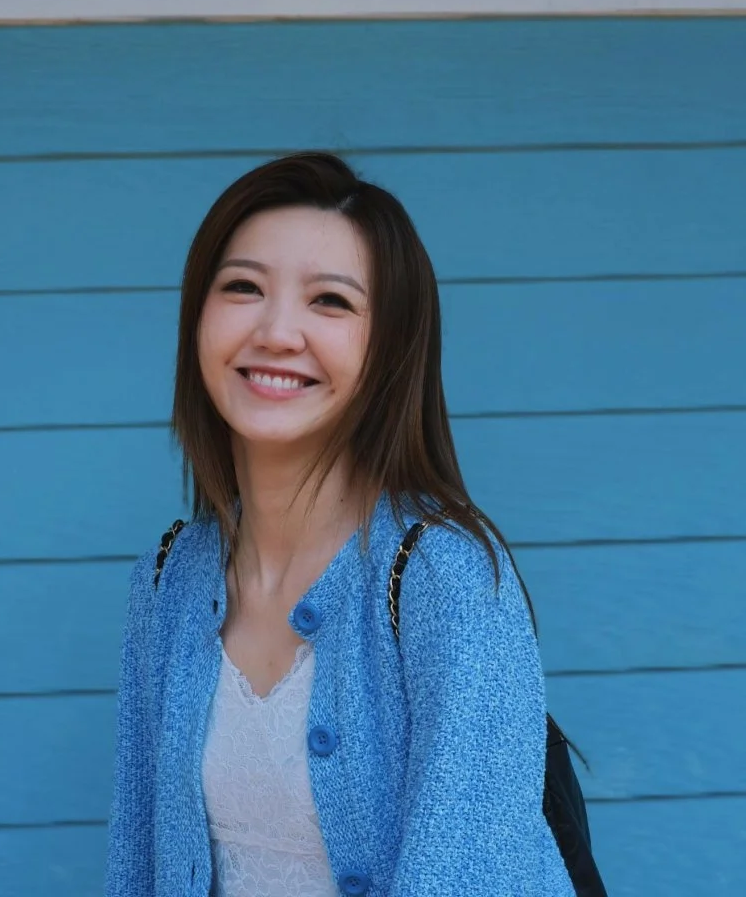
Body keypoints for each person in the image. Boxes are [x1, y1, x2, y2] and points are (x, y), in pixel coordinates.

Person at [105, 151, 576, 897]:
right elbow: (137, 859)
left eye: (330, 301)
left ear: (388, 348)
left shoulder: (442, 577)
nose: (276, 331)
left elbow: (470, 876)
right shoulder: (170, 579)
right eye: (242, 287)